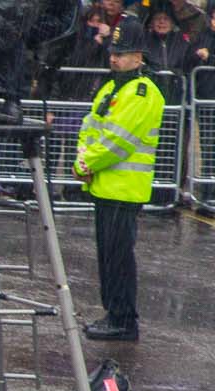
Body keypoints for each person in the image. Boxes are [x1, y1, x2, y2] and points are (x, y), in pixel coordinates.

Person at [77, 14, 162, 342]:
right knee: (108, 256)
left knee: (118, 258)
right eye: (114, 52)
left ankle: (123, 319)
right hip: (105, 185)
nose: (114, 57)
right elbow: (90, 126)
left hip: (124, 189)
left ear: (138, 57)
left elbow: (119, 140)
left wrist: (88, 162)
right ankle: (114, 313)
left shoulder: (143, 92)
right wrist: (83, 159)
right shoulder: (112, 86)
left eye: (122, 53)